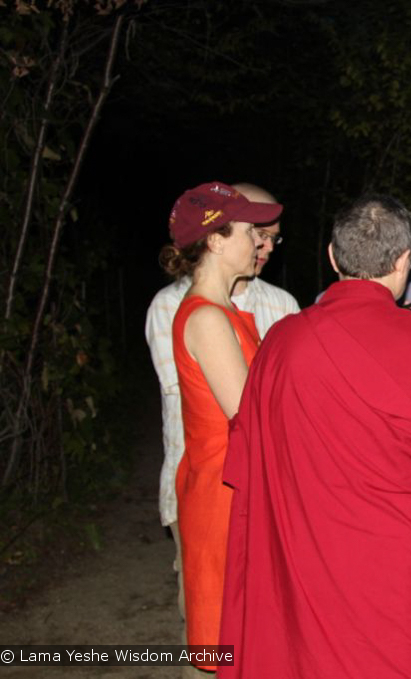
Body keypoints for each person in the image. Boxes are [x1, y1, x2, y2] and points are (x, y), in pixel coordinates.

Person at [218, 196, 411, 678]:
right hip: (401, 557)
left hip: (310, 544)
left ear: (334, 258)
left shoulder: (284, 340)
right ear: (404, 261)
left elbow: (254, 441)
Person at [143, 183, 298, 658]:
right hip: (223, 493)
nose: (259, 242)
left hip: (239, 485)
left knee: (254, 639)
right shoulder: (207, 317)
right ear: (214, 238)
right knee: (230, 643)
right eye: (251, 231)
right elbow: (253, 415)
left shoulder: (224, 312)